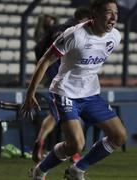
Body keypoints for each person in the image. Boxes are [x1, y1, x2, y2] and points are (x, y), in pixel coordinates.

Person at [20, 0, 127, 180]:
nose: (114, 17)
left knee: (119, 136)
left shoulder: (115, 37)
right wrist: (30, 92)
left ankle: (77, 170)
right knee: (76, 144)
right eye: (109, 12)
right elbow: (45, 60)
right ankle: (38, 171)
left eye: (116, 13)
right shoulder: (75, 35)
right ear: (95, 13)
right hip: (65, 92)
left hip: (90, 94)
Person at [31, 7, 92, 163]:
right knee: (71, 112)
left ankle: (40, 141)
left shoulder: (56, 29)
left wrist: (44, 67)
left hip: (52, 72)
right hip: (64, 75)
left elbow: (38, 47)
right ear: (84, 18)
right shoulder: (76, 30)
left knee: (55, 113)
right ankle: (74, 150)